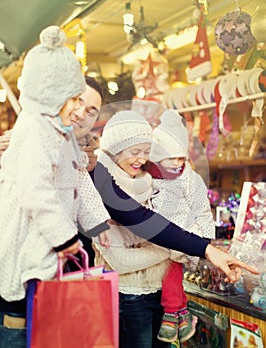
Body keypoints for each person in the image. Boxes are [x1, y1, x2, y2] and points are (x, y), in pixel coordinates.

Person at [0, 76, 259, 282]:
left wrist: (206, 249)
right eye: (77, 102)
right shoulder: (23, 144)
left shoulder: (86, 164)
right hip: (16, 275)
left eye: (92, 110)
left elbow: (138, 216)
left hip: (63, 281)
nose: (81, 114)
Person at [0, 26, 111, 348]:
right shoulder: (36, 130)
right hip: (25, 246)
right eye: (75, 99)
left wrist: (96, 221)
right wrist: (65, 239)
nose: (80, 110)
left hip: (43, 248)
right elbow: (35, 192)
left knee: (43, 321)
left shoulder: (58, 133)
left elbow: (78, 181)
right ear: (53, 93)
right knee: (19, 318)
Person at [92, 109, 173, 347]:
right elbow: (120, 261)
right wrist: (170, 250)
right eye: (134, 152)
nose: (141, 159)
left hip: (161, 294)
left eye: (146, 152)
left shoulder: (153, 186)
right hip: (126, 296)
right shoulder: (101, 189)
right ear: (115, 150)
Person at [148, 109, 216, 343]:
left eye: (181, 158)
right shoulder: (145, 177)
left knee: (172, 267)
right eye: (171, 158)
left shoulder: (190, 179)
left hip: (182, 239)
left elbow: (202, 211)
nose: (177, 164)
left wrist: (203, 242)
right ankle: (178, 313)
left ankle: (174, 310)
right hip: (150, 243)